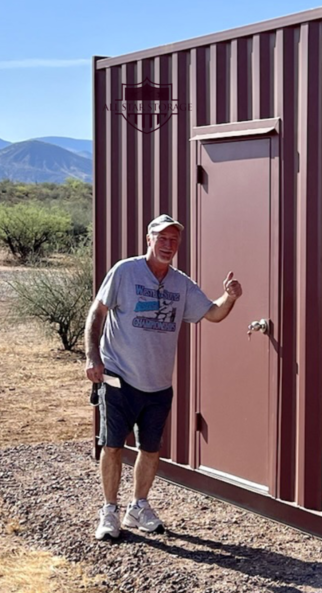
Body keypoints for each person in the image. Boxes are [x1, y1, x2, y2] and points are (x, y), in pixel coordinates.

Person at [84, 213, 242, 540]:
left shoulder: (180, 283)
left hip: (158, 385)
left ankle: (138, 507)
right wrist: (92, 356)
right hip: (117, 375)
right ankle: (109, 510)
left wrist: (231, 297)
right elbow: (96, 314)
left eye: (174, 240)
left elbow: (211, 313)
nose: (168, 245)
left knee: (150, 448)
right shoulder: (125, 272)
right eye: (162, 238)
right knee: (112, 444)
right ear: (149, 240)